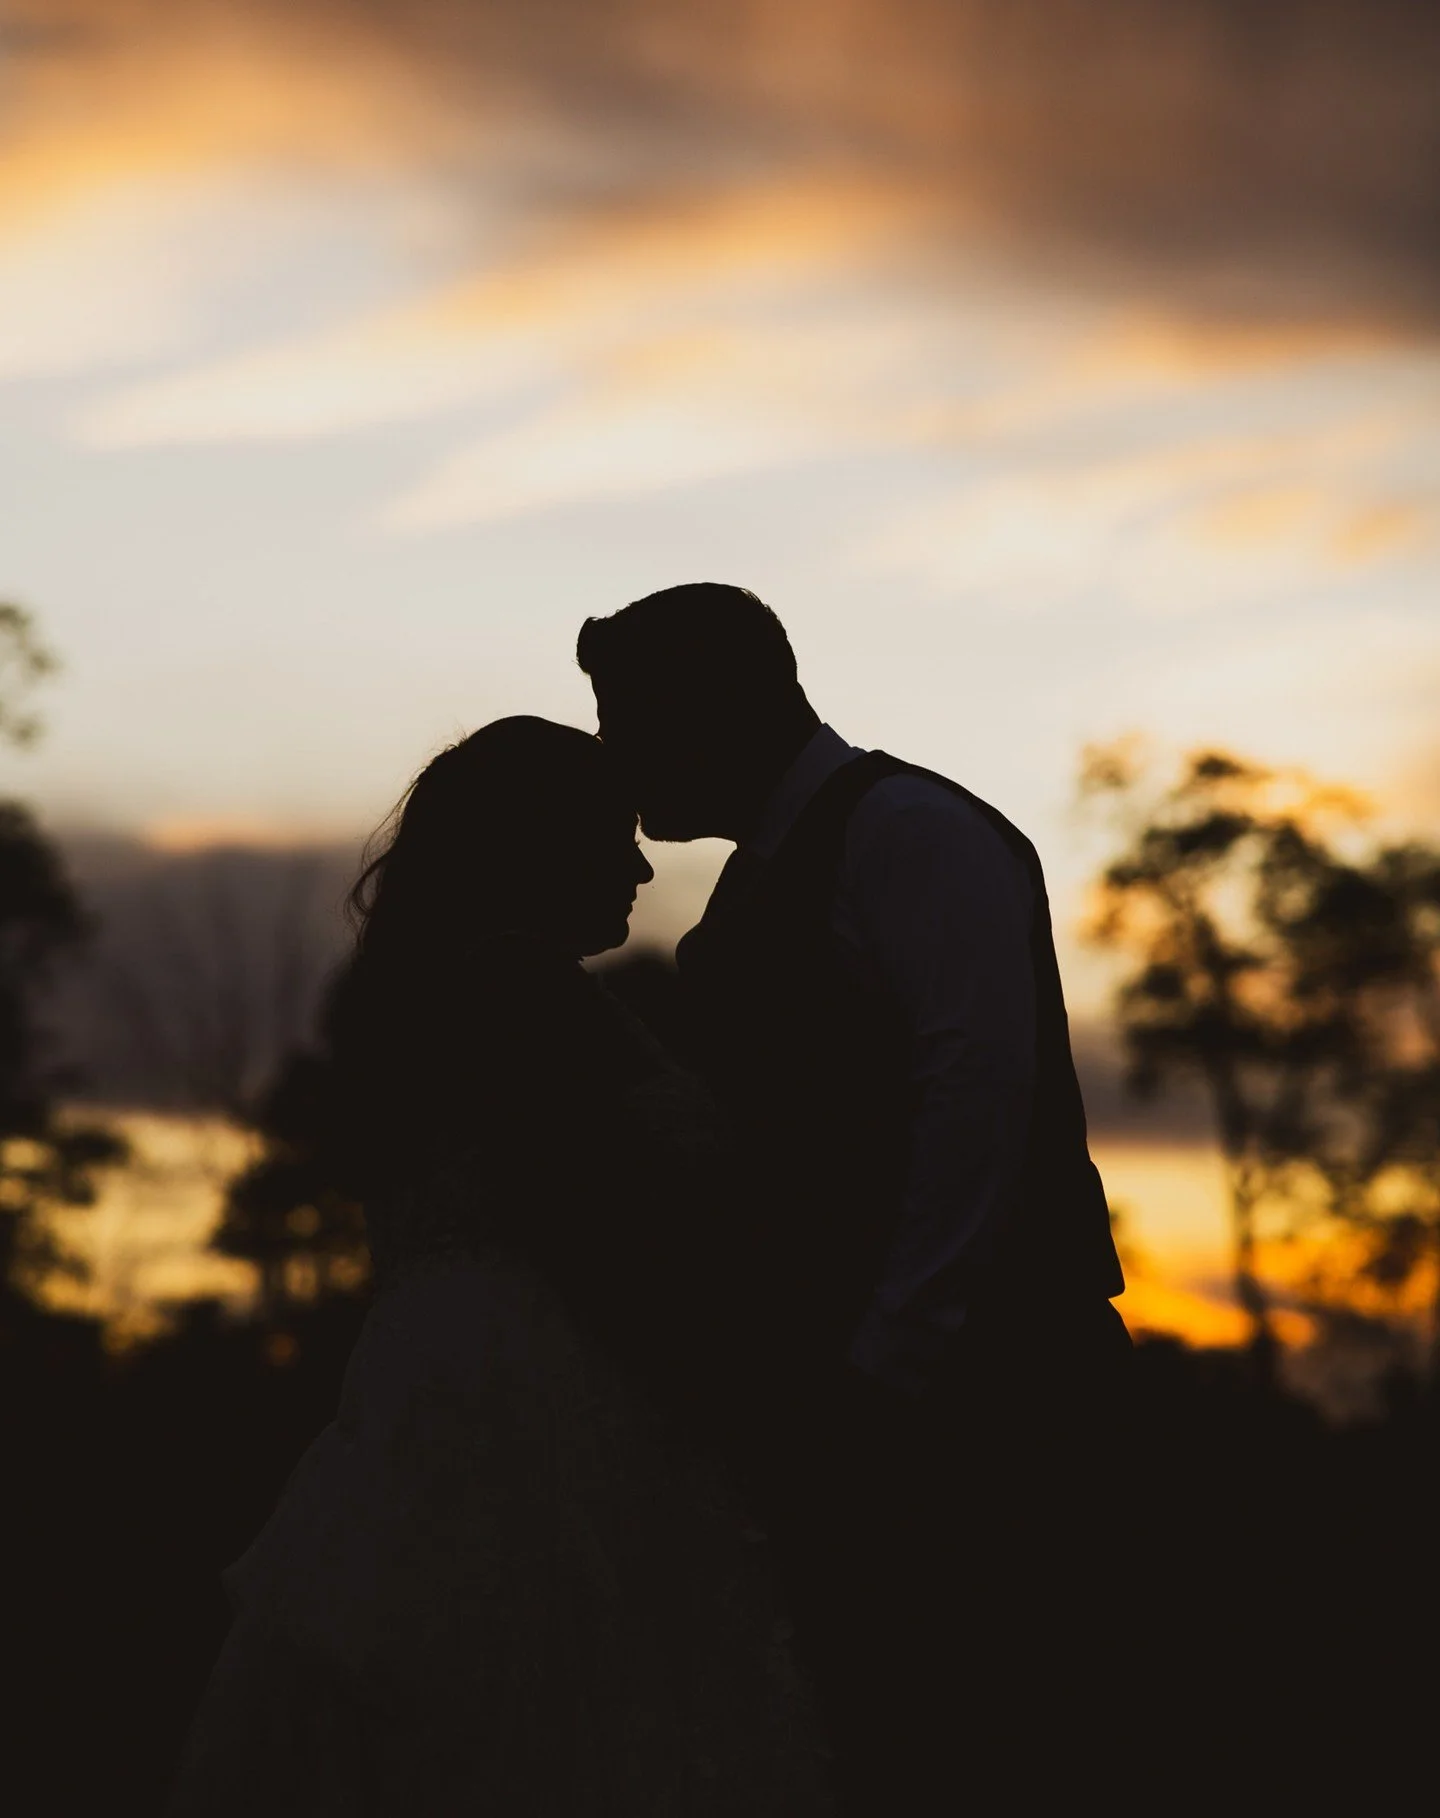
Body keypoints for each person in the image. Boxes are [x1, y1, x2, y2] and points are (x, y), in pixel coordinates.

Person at [167, 717, 831, 1817]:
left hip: (424, 1374)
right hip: (543, 1389)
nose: (639, 868)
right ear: (540, 849)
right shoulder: (524, 992)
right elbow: (597, 1223)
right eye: (614, 839)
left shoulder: (424, 997)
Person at [577, 585, 1135, 1808]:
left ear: (715, 711)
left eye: (629, 721)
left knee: (1014, 1737)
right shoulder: (758, 885)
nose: (615, 758)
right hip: (852, 1391)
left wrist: (894, 1351)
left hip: (992, 1387)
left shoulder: (912, 833)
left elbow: (977, 1095)